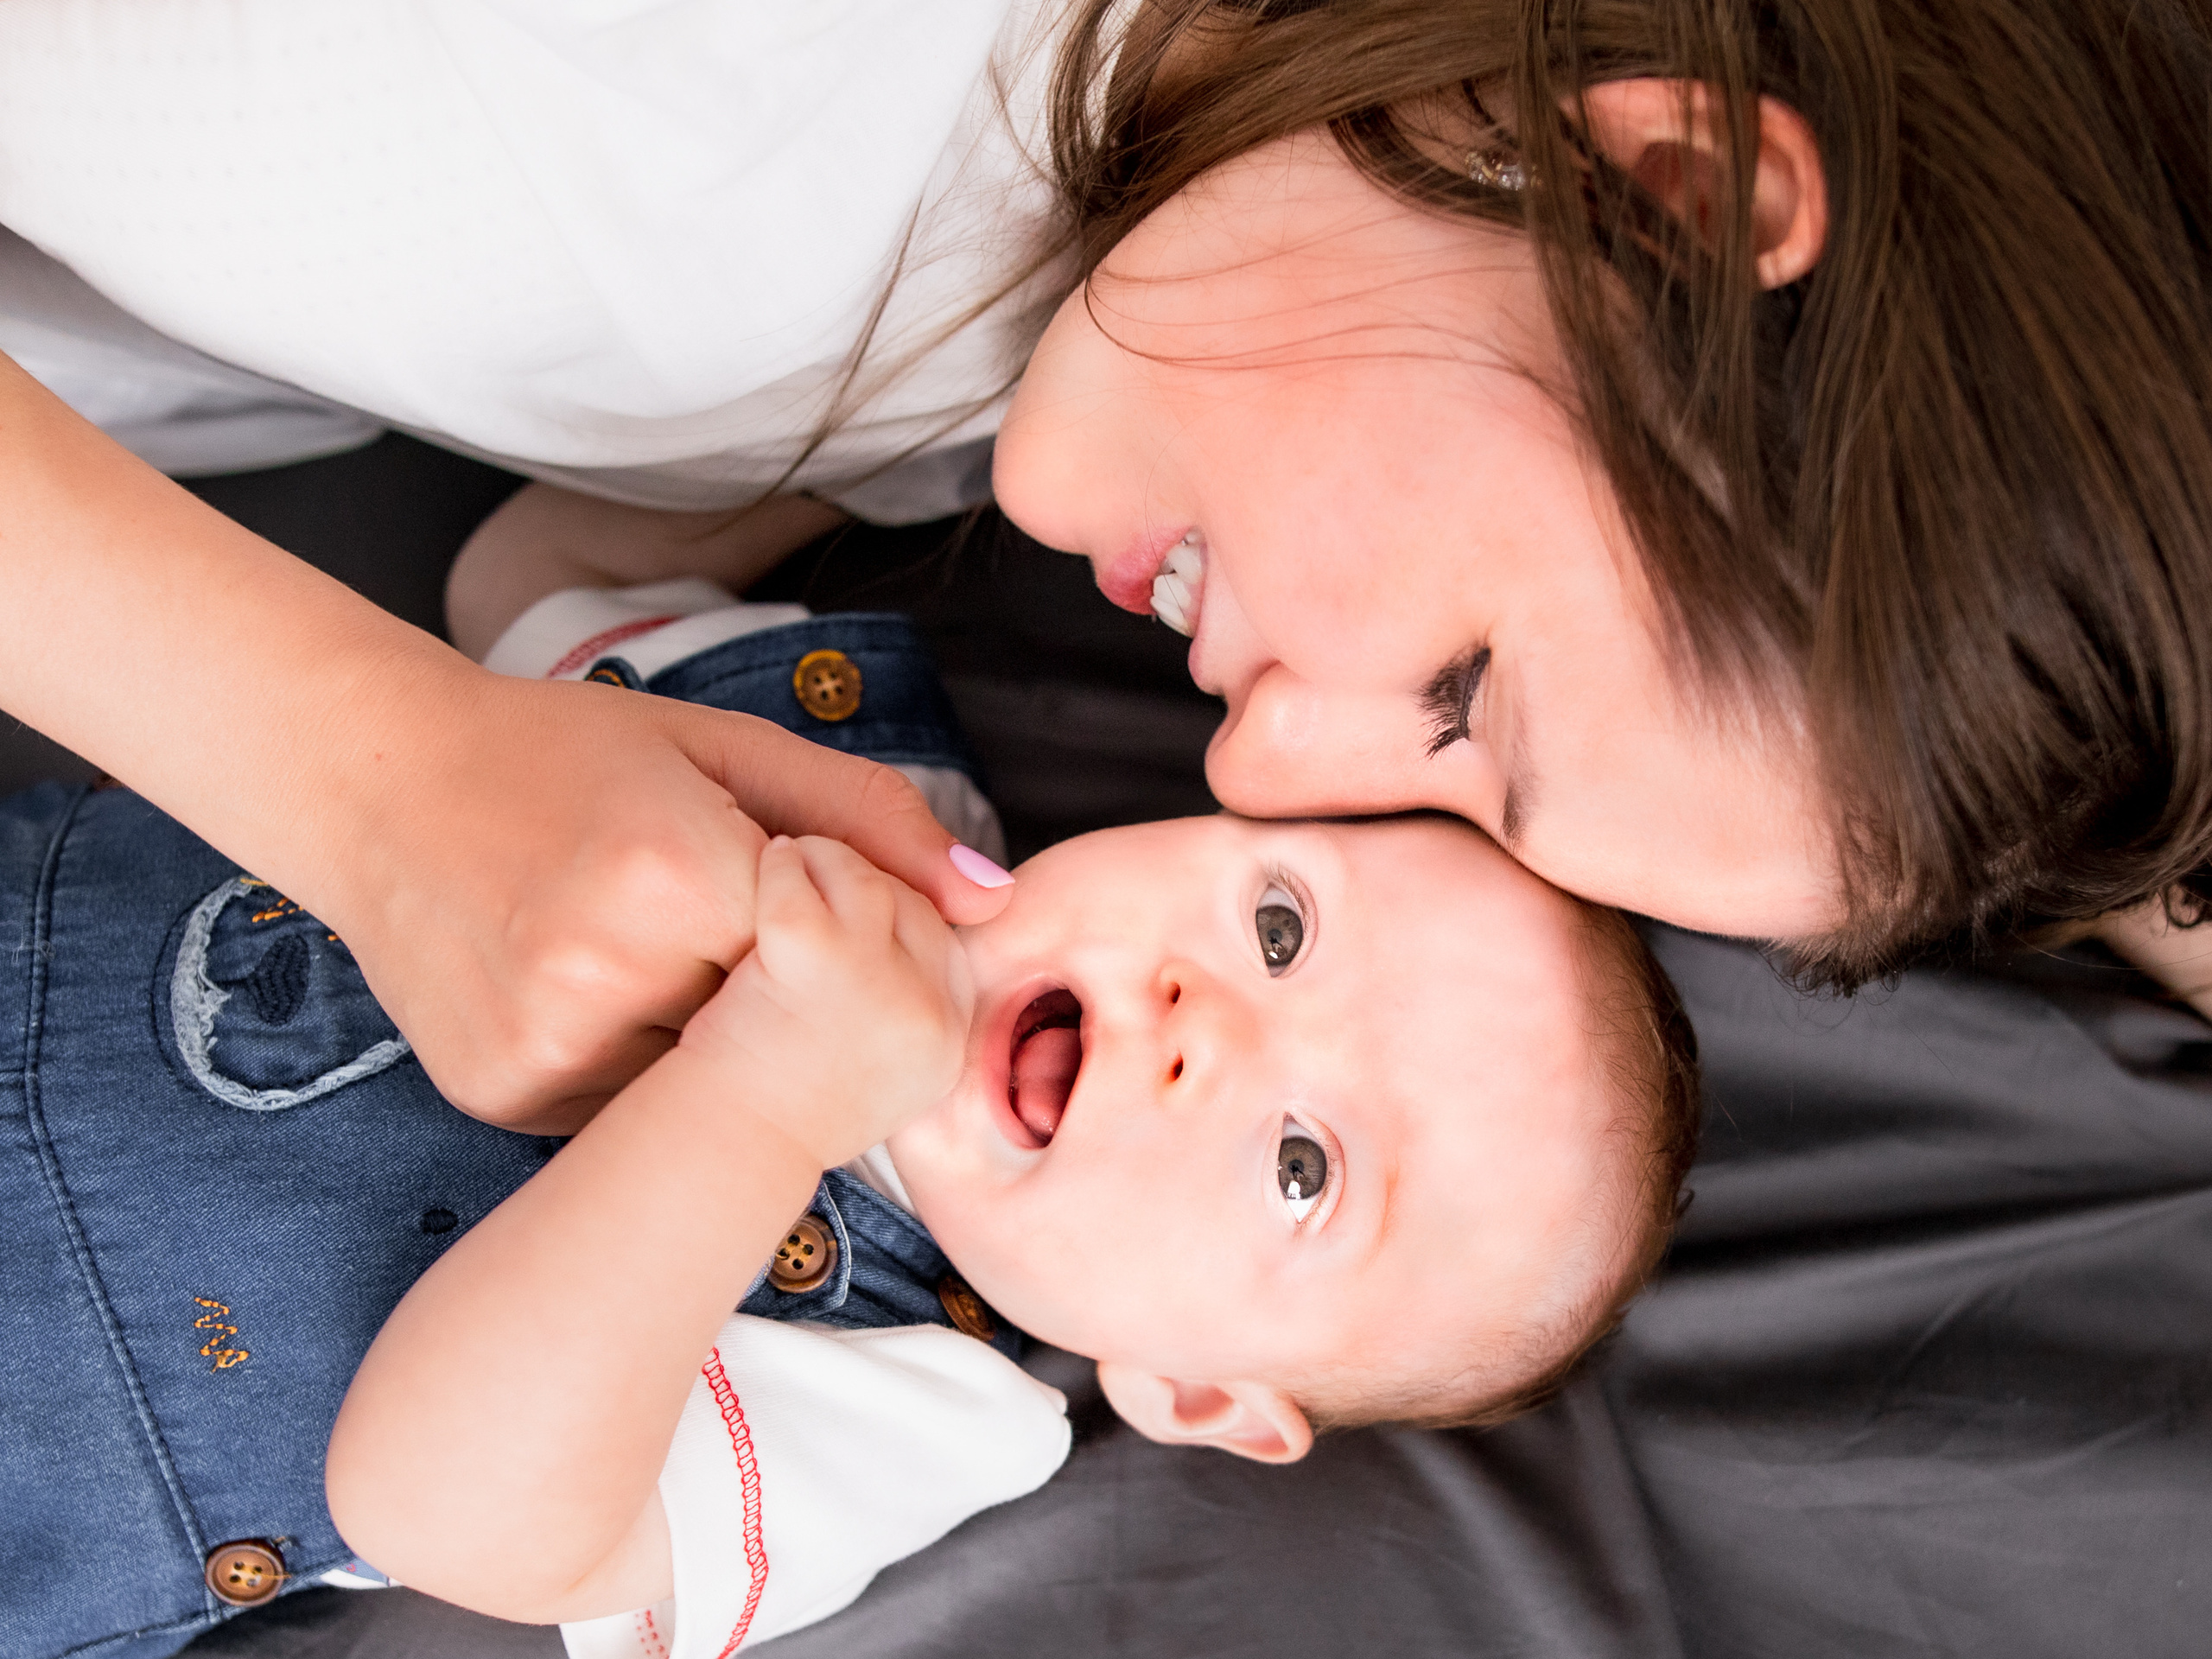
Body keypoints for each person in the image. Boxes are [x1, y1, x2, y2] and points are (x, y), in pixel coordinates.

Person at [0, 0, 2202, 1122]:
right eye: (1453, 696)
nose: (1257, 778)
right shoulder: (626, 108)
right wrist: (365, 780)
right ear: (1661, 202)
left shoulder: (1182, 252)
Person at [3, 574, 1699, 1659]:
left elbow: (440, 1509)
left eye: (1302, 1163)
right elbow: (517, 598)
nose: (1209, 1023)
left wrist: (762, 1096)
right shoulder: (860, 762)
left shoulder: (925, 1404)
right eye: (1278, 928)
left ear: (1188, 1390)